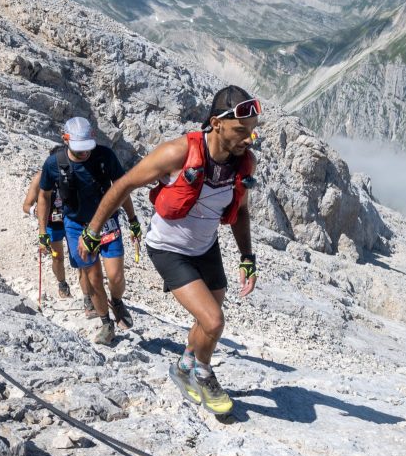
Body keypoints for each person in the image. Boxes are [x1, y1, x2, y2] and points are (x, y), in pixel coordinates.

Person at [79, 86, 260, 415]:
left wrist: (247, 258)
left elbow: (241, 211)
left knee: (207, 320)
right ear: (216, 123)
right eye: (241, 130)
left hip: (206, 246)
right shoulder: (178, 153)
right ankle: (203, 374)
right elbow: (123, 185)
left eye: (251, 130)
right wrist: (92, 231)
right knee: (214, 321)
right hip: (169, 248)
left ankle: (183, 366)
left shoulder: (243, 163)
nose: (250, 138)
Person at [39, 117, 142, 344]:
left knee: (115, 275)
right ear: (66, 140)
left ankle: (116, 300)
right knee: (93, 276)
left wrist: (133, 219)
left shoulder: (105, 156)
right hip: (76, 225)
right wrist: (42, 231)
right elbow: (44, 196)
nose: (84, 154)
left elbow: (122, 188)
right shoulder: (53, 164)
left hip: (107, 222)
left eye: (87, 149)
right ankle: (106, 323)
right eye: (79, 150)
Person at [22, 168, 78, 300]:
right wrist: (34, 210)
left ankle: (89, 294)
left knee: (79, 256)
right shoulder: (40, 178)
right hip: (52, 224)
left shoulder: (72, 173)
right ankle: (62, 285)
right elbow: (26, 205)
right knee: (58, 257)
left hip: (72, 221)